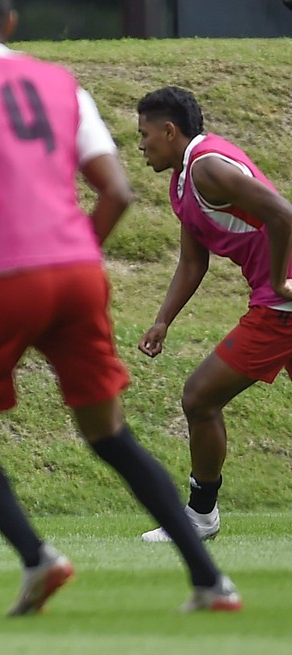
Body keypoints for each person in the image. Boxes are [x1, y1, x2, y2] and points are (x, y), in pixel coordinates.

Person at [0, 0, 241, 615]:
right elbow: (117, 189)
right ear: (10, 23)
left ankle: (37, 558)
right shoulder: (62, 83)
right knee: (109, 432)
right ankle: (211, 582)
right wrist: (74, 254)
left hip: (2, 275)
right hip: (80, 272)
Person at [136, 86, 292, 542]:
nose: (141, 145)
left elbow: (282, 214)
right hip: (278, 300)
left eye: (145, 134)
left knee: (199, 398)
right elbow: (192, 262)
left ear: (169, 130)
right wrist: (164, 319)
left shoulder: (207, 167)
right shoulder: (185, 178)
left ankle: (200, 516)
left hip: (281, 305)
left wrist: (281, 280)